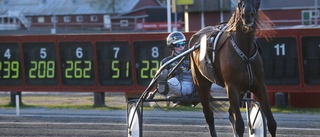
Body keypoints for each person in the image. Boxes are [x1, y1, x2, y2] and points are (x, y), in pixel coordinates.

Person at [156, 31, 194, 98]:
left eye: (183, 44)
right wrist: (173, 71)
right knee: (172, 81)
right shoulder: (166, 61)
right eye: (178, 45)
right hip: (178, 85)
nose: (181, 47)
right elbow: (162, 76)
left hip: (194, 85)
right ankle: (168, 91)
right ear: (171, 46)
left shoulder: (191, 58)